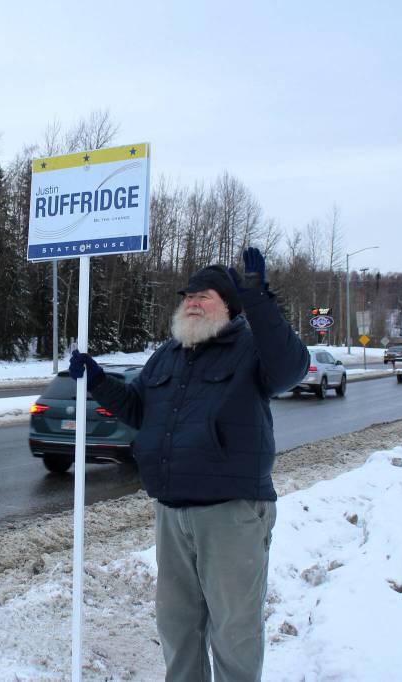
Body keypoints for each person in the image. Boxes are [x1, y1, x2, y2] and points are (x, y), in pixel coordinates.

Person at [69, 247, 309, 682]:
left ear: (229, 307)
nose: (193, 301)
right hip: (171, 513)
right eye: (189, 295)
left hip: (230, 513)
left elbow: (292, 368)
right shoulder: (168, 355)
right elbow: (139, 408)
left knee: (234, 629)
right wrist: (100, 381)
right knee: (178, 625)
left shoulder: (251, 349)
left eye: (206, 295)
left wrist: (258, 297)